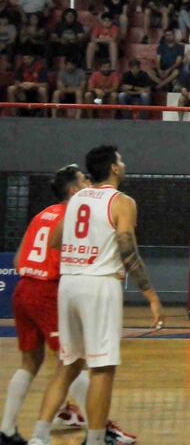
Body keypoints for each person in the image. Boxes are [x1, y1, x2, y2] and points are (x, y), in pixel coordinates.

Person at [7, 166, 137, 445]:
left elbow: (19, 261)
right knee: (72, 363)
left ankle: (8, 429)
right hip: (49, 291)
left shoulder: (41, 214)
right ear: (74, 190)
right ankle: (100, 428)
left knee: (32, 362)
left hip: (22, 289)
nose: (89, 182)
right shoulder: (77, 214)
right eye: (83, 180)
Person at [52, 146, 162, 445]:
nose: (123, 164)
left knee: (68, 365)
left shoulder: (77, 198)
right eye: (121, 160)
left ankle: (38, 435)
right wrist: (150, 294)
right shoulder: (122, 202)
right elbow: (128, 250)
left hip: (69, 283)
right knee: (102, 368)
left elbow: (55, 239)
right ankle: (96, 438)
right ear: (114, 168)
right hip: (99, 284)